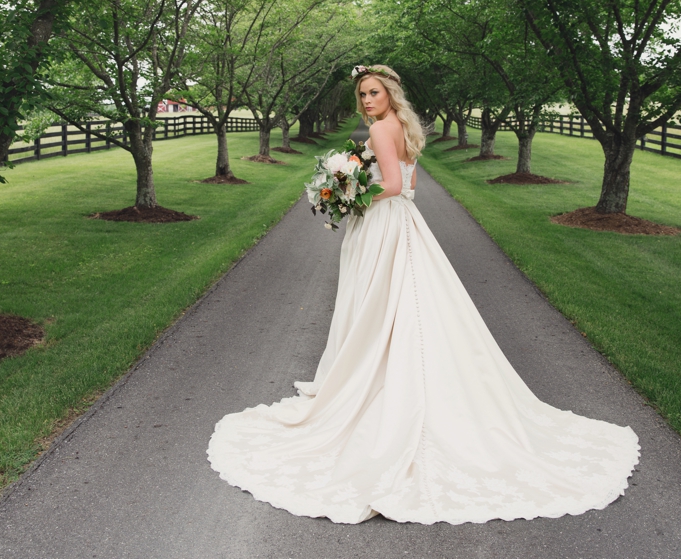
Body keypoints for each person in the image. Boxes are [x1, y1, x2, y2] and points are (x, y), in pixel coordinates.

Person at [207, 64, 640, 525]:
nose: (367, 100)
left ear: (389, 94)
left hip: (385, 224)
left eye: (374, 92)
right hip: (399, 222)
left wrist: (346, 197)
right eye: (362, 94)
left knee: (384, 303)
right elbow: (407, 184)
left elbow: (393, 186)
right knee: (399, 303)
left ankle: (389, 385)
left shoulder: (382, 129)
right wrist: (348, 188)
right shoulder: (398, 126)